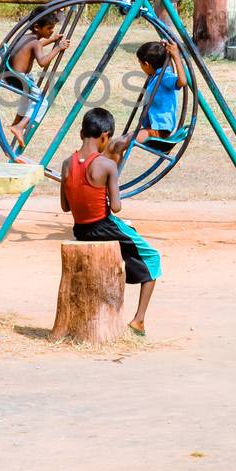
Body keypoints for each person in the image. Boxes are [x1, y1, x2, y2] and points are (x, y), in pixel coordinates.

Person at [60, 107, 161, 336]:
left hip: (80, 229)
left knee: (128, 232)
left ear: (80, 133)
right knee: (153, 257)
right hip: (103, 226)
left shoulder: (67, 163)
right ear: (105, 136)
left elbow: (65, 207)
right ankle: (139, 321)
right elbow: (116, 207)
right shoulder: (106, 166)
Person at [109, 39, 184, 158]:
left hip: (159, 131)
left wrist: (176, 56)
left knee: (118, 144)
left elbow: (182, 82)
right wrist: (165, 51)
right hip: (153, 128)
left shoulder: (164, 78)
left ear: (147, 64)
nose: (141, 67)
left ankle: (110, 174)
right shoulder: (157, 76)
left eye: (140, 63)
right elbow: (167, 65)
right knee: (115, 144)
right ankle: (109, 171)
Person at [2, 11, 65, 151]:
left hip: (9, 75)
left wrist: (53, 39)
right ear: (37, 27)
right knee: (42, 102)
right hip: (20, 78)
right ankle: (19, 127)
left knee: (29, 98)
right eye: (49, 28)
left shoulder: (26, 37)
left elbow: (37, 45)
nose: (52, 30)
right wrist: (58, 48)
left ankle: (17, 123)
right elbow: (42, 62)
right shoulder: (35, 42)